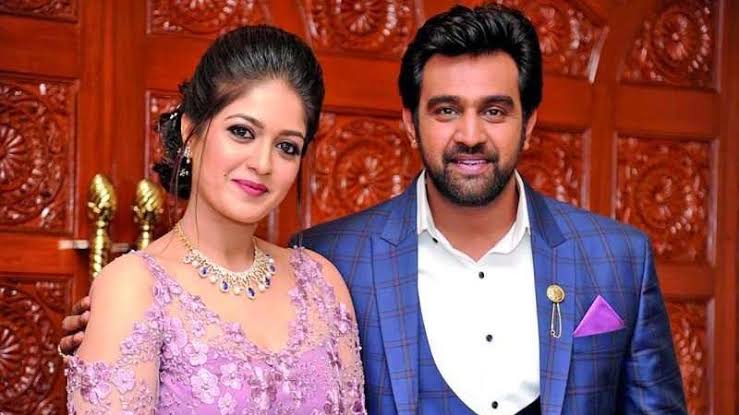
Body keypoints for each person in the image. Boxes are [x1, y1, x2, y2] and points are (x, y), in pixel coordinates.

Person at [61, 4, 687, 415]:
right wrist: (124, 308)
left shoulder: (616, 258)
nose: (470, 134)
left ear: (530, 123)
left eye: (495, 110)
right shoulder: (337, 257)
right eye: (445, 110)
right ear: (410, 124)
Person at [61, 25, 366, 414]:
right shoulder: (134, 287)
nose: (262, 163)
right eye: (242, 132)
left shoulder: (321, 282)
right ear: (192, 129)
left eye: (286, 147)